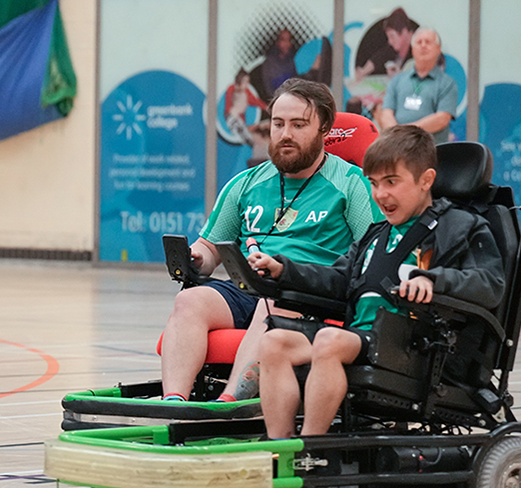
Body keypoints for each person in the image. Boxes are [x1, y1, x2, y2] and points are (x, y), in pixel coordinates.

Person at [251, 125, 504, 438]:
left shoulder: (462, 228)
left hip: (415, 348)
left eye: (391, 182)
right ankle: (280, 452)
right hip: (363, 339)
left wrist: (433, 280)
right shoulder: (375, 234)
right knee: (274, 342)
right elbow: (340, 279)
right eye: (373, 183)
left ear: (426, 180)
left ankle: (310, 450)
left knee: (331, 341)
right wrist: (284, 269)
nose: (380, 194)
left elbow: (489, 283)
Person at [160, 78, 378, 403]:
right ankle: (174, 402)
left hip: (307, 291)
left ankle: (229, 403)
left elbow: (374, 250)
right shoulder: (246, 183)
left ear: (325, 128)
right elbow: (209, 247)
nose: (285, 134)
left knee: (272, 306)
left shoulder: (350, 183)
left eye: (298, 124)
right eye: (278, 123)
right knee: (188, 302)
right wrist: (194, 258)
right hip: (249, 285)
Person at [378, 27, 458, 144]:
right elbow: (386, 114)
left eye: (428, 42)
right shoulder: (397, 80)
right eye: (419, 42)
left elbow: (442, 119)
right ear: (412, 49)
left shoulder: (447, 83)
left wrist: (404, 132)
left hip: (431, 153)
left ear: (438, 49)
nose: (423, 46)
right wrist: (399, 137)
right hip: (398, 151)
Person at [224, 69, 268, 145]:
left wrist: (267, 108)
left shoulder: (245, 91)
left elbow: (256, 101)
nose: (247, 84)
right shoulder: (232, 89)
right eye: (245, 81)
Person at [260, 29, 298, 97]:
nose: (286, 43)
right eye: (283, 40)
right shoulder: (269, 62)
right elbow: (268, 89)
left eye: (288, 40)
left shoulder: (295, 60)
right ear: (277, 42)